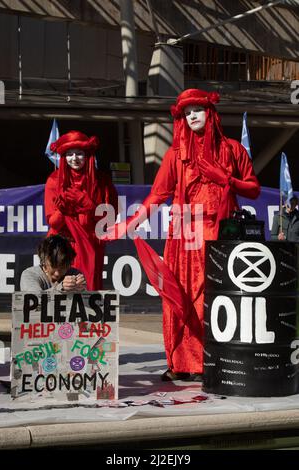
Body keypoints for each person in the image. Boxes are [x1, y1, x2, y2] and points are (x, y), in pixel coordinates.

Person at [102, 88, 260, 381]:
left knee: (211, 298)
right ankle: (181, 363)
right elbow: (157, 195)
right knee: (178, 297)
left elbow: (253, 189)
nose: (192, 116)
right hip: (183, 236)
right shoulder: (175, 155)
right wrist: (129, 222)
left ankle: (208, 361)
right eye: (187, 113)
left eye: (197, 110)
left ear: (209, 112)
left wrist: (225, 179)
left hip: (219, 236)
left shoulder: (233, 149)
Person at [44, 130, 118, 291]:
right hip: (62, 245)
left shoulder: (102, 181)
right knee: (60, 288)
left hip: (90, 243)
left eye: (79, 153)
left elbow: (110, 218)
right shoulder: (54, 180)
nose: (74, 158)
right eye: (70, 154)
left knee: (87, 287)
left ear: (88, 155)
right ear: (63, 157)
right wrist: (63, 211)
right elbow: (53, 223)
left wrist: (89, 205)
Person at [20, 234, 86, 292]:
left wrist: (80, 291)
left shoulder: (74, 274)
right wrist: (61, 288)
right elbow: (34, 300)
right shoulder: (30, 274)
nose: (57, 273)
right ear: (44, 261)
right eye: (53, 266)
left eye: (63, 267)